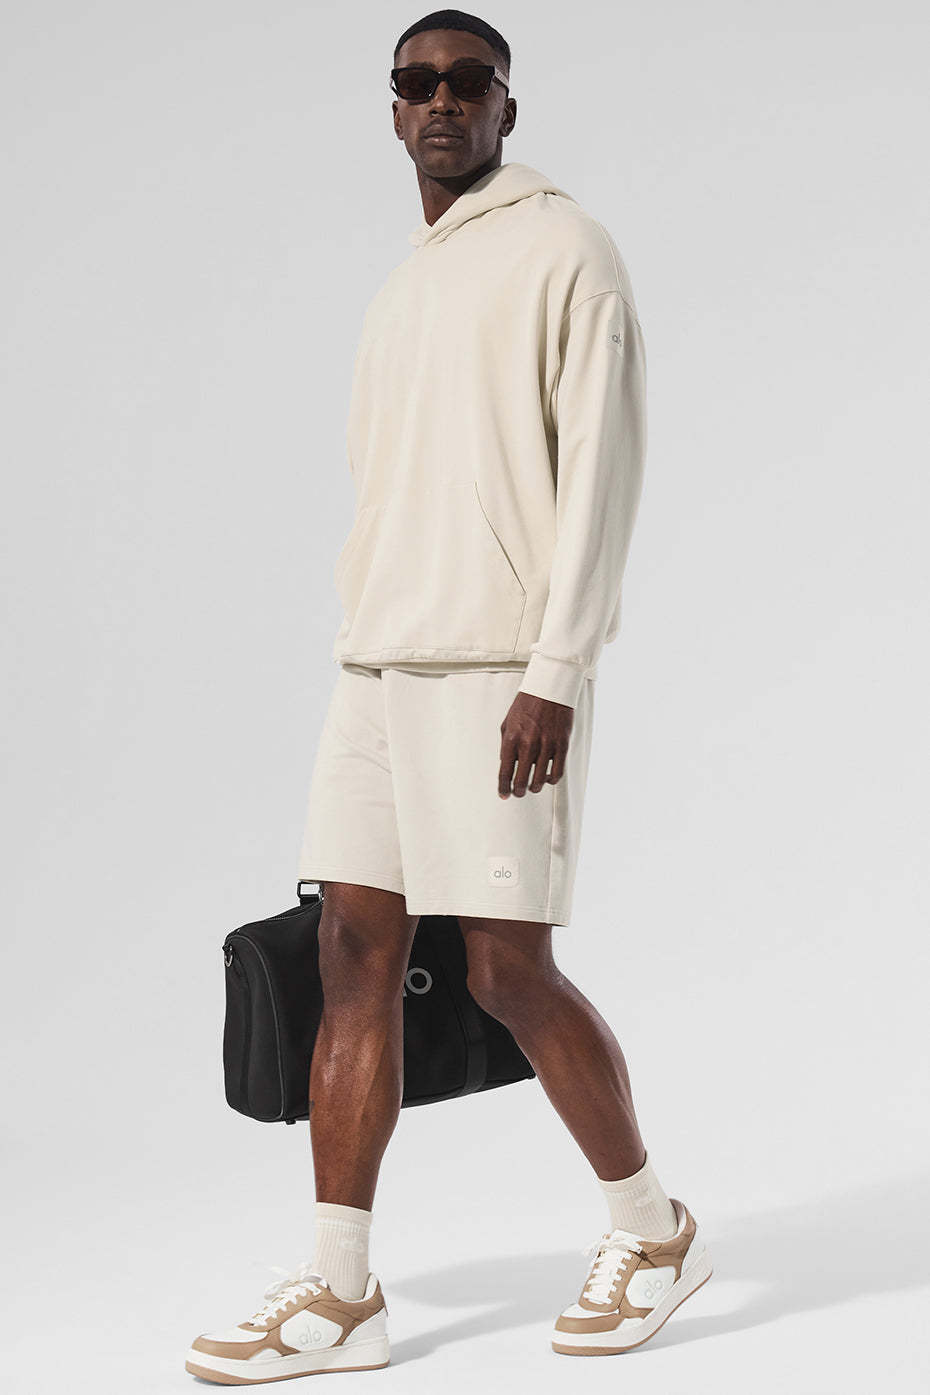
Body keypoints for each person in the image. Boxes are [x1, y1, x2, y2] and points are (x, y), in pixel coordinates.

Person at [185, 8, 711, 1384]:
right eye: (416, 83)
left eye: (468, 82)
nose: (441, 101)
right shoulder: (403, 285)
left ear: (505, 108)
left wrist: (555, 671)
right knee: (352, 953)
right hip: (375, 664)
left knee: (501, 970)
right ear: (391, 109)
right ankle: (341, 1288)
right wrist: (359, 629)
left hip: (497, 674)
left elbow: (601, 475)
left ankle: (652, 1232)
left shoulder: (566, 251)